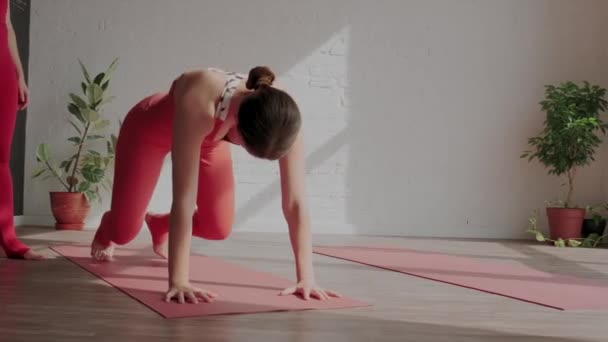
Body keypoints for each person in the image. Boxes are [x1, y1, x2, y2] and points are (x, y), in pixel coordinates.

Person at [90, 66, 340, 303]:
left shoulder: (283, 115)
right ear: (239, 127)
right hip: (149, 131)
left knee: (218, 227)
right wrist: (179, 281)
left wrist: (306, 277)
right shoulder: (200, 99)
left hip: (210, 141)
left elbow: (295, 202)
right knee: (125, 232)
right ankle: (107, 227)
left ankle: (159, 224)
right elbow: (184, 200)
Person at [0, 0, 44, 260]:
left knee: (1, 157)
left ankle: (9, 239)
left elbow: (7, 24)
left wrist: (18, 74)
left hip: (2, 69)